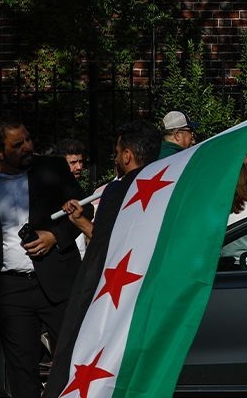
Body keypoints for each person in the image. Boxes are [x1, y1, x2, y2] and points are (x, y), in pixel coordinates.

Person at [43, 121, 161, 398]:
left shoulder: (118, 191)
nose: (116, 157)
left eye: (117, 152)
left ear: (128, 155)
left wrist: (82, 223)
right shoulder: (164, 186)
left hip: (117, 286)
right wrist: (81, 220)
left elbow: (105, 243)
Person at [0, 119, 83, 398]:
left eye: (28, 139)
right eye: (18, 145)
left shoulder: (53, 169)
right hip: (9, 288)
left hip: (58, 281)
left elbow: (82, 212)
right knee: (21, 369)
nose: (28, 147)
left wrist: (54, 237)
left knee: (77, 357)